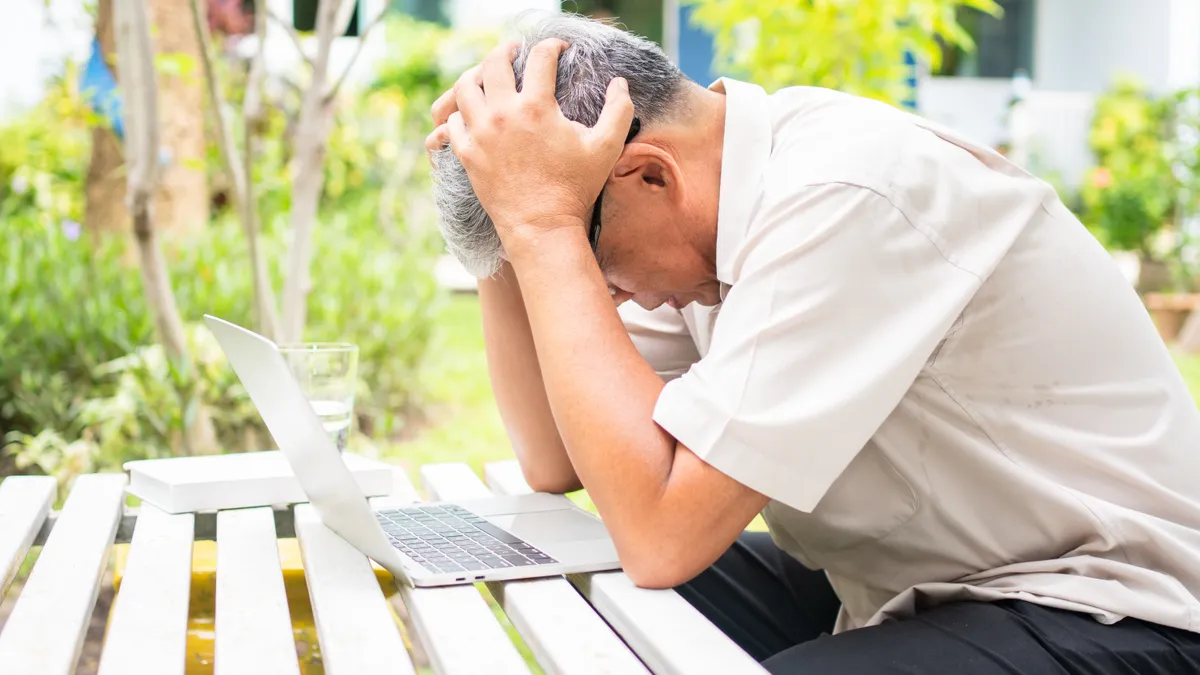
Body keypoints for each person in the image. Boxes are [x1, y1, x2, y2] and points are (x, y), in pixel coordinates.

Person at [425, 13, 1200, 674]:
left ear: (649, 175)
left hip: (1109, 605)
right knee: (593, 585)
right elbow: (556, 459)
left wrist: (544, 223)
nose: (608, 297)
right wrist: (503, 214)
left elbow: (663, 531)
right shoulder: (708, 220)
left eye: (596, 267)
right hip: (901, 581)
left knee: (648, 573)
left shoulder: (842, 194)